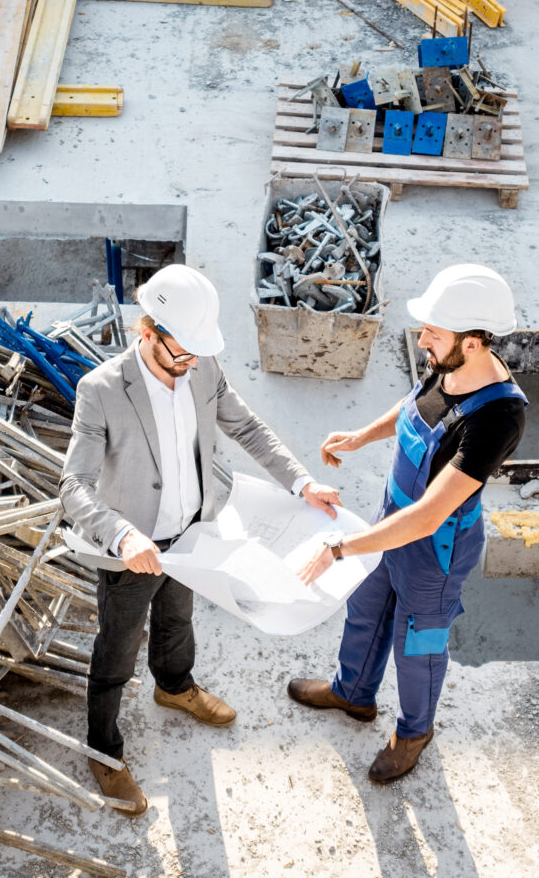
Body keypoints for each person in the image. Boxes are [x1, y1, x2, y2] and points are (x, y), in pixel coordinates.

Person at [63, 266, 340, 815]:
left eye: (195, 353)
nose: (189, 362)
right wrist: (120, 535)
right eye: (180, 352)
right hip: (133, 547)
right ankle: (103, 749)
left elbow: (249, 428)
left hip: (192, 532)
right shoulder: (100, 391)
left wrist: (302, 481)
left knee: (177, 619)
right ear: (149, 333)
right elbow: (73, 486)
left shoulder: (202, 365)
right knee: (117, 648)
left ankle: (175, 686)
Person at [288, 265, 528, 785]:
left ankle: (414, 732)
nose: (423, 340)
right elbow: (413, 406)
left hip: (435, 550)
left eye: (434, 334)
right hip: (390, 522)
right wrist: (360, 436)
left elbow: (429, 514)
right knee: (366, 606)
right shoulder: (449, 364)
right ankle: (352, 694)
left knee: (417, 642)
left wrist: (340, 547)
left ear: (472, 343)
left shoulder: (497, 419)